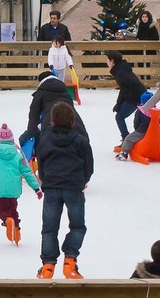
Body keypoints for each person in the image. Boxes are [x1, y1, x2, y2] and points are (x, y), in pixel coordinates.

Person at [34, 101, 93, 280]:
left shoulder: (45, 139)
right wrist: (84, 180)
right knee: (77, 226)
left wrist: (45, 179)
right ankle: (70, 260)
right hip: (73, 187)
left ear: (53, 119)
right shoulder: (80, 140)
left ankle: (48, 266)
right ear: (71, 120)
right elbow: (89, 165)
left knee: (49, 228)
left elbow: (41, 163)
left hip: (51, 188)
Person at [0, 123, 40, 245]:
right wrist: (36, 188)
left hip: (0, 190)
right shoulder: (18, 155)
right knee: (13, 210)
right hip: (14, 190)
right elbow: (27, 172)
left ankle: (7, 220)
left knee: (1, 210)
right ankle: (16, 231)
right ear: (12, 140)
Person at [24, 71, 78, 152]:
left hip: (50, 122)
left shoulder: (41, 91)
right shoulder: (65, 91)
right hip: (73, 122)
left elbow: (34, 113)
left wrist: (31, 132)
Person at [106, 51, 146, 141]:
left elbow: (130, 85)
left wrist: (119, 104)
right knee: (145, 118)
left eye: (107, 60)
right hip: (140, 95)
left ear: (112, 61)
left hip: (137, 97)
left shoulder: (120, 72)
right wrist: (119, 104)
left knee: (119, 117)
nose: (107, 62)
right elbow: (124, 88)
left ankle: (126, 139)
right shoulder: (121, 69)